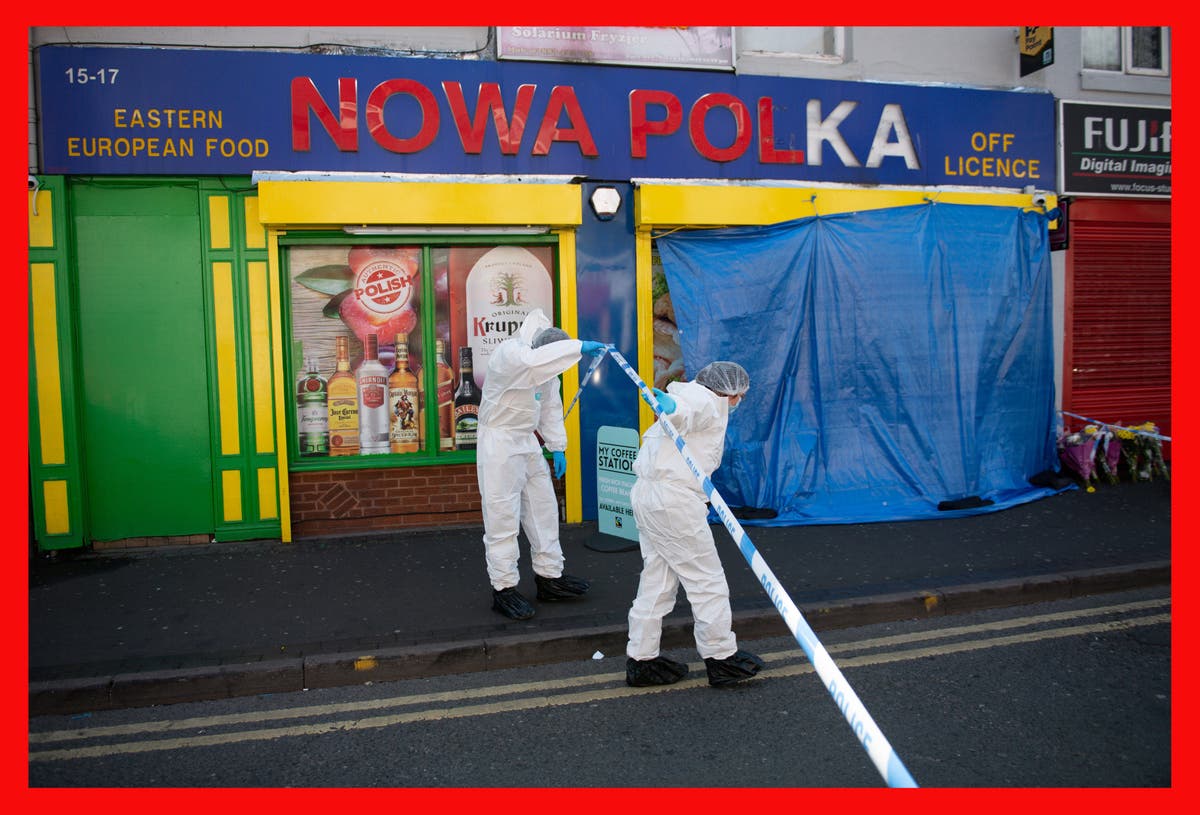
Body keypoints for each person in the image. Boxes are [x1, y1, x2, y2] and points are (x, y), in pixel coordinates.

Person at [624, 361, 766, 687]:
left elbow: (681, 412)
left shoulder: (694, 394)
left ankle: (641, 659)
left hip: (647, 496)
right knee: (707, 581)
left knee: (657, 581)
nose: (738, 402)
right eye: (738, 395)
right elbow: (686, 412)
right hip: (674, 502)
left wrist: (671, 405)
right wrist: (671, 407)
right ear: (729, 393)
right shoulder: (707, 402)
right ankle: (721, 657)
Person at [476, 308, 607, 620]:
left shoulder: (545, 373)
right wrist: (579, 346)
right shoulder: (510, 355)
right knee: (502, 516)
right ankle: (503, 589)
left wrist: (557, 446)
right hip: (500, 443)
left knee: (544, 509)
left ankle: (550, 578)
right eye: (555, 358)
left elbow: (550, 407)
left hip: (527, 442)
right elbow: (534, 363)